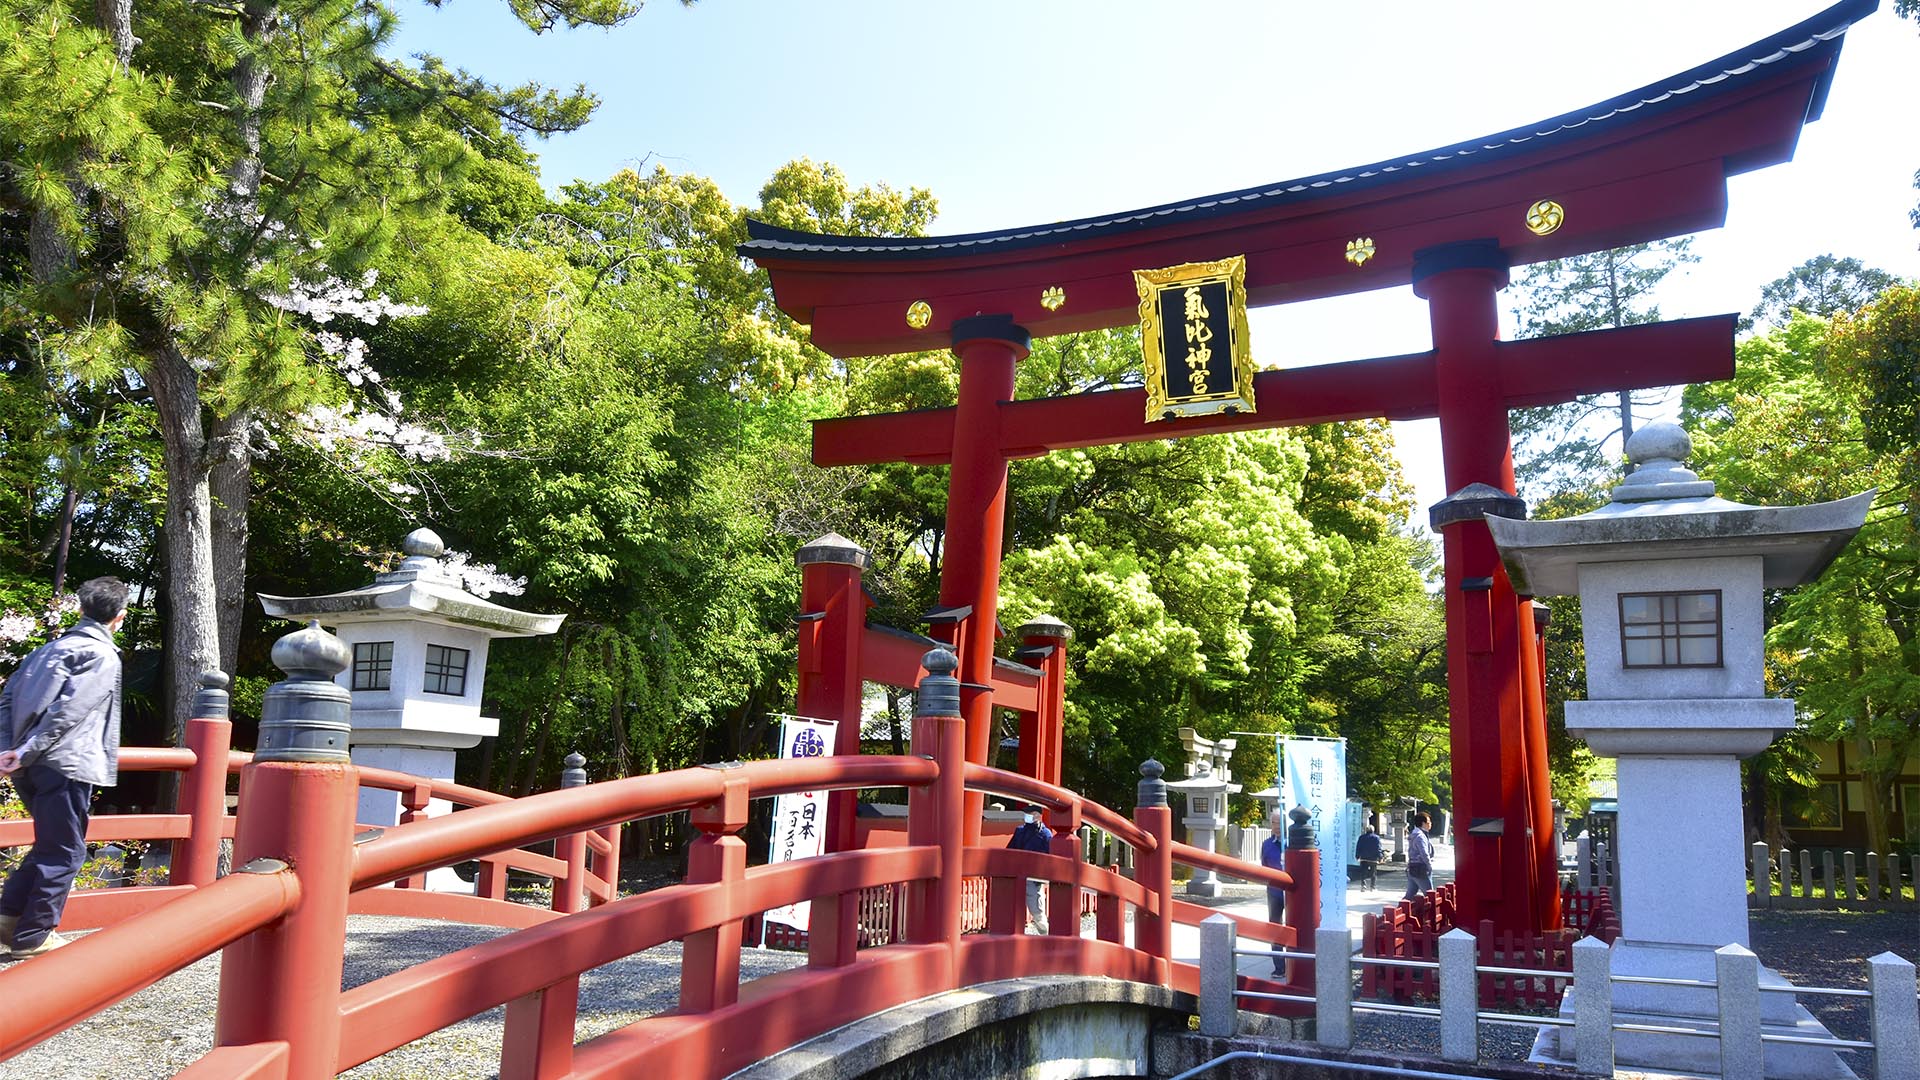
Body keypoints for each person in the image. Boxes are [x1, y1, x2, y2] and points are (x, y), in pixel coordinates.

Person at [0, 576, 128, 960]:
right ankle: (35, 935)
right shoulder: (103, 656)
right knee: (66, 850)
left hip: (29, 765)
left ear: (80, 609)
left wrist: (10, 749)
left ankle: (8, 918)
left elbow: (6, 700)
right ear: (118, 618)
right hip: (65, 762)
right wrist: (29, 750)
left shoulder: (45, 651)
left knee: (49, 844)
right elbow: (69, 712)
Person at [1008, 803, 1053, 934]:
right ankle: (1015, 933)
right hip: (1018, 871)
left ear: (1038, 815)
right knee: (1014, 906)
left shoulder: (1045, 834)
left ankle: (1045, 933)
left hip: (1034, 875)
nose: (1027, 816)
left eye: (1030, 813)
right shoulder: (1020, 830)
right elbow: (1011, 849)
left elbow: (1050, 855)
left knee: (1036, 908)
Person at [1259, 809, 1286, 977]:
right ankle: (1279, 966)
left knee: (1294, 929)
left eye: (1280, 823)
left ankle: (1297, 964)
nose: (1277, 826)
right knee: (1275, 927)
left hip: (1294, 895)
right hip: (1274, 892)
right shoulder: (1267, 844)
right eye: (1274, 823)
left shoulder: (1293, 843)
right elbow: (1264, 866)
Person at [1403, 811, 1435, 899]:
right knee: (1430, 895)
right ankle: (1432, 912)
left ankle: (1400, 910)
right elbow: (1424, 853)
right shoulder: (1420, 836)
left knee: (1410, 894)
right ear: (1423, 823)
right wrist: (1429, 865)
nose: (1430, 824)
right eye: (1428, 822)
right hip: (1421, 868)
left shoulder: (1415, 834)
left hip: (1412, 867)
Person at [1355, 825, 1383, 891]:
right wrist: (1380, 857)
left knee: (1363, 872)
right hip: (1373, 858)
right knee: (1373, 873)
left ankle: (1363, 886)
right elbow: (1378, 848)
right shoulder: (1376, 838)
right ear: (1373, 830)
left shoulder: (1361, 837)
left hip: (1363, 857)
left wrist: (1357, 856)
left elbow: (1358, 847)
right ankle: (1372, 887)